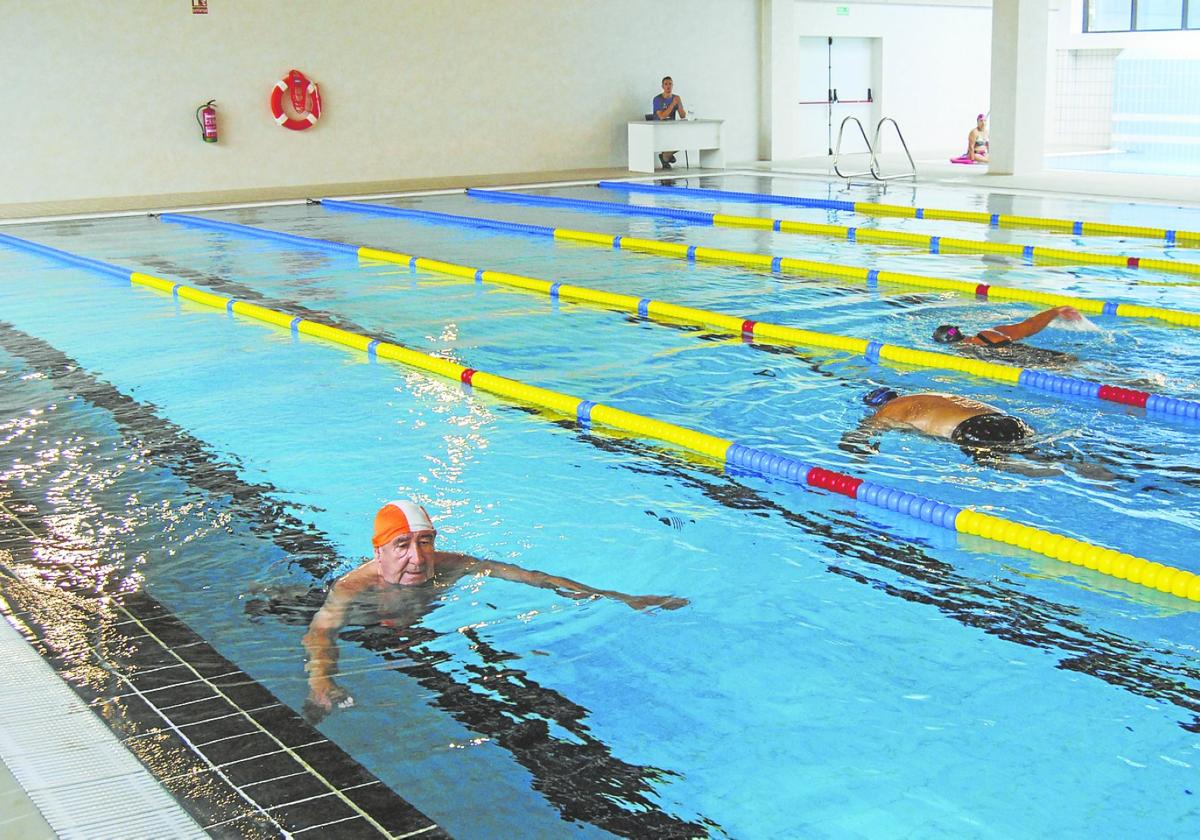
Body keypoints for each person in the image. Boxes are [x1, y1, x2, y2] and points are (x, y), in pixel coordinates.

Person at [301, 499, 687, 721]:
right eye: (402, 545)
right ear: (378, 552)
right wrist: (321, 683)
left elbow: (534, 577)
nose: (418, 558)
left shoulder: (454, 564)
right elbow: (319, 633)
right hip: (369, 626)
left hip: (417, 628)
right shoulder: (352, 588)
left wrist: (622, 598)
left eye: (426, 542)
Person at [860, 388, 1033, 447]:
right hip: (1009, 421)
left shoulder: (887, 410)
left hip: (974, 429)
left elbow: (859, 438)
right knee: (1034, 454)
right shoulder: (925, 396)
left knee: (998, 464)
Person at [932, 305, 1082, 366]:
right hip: (1056, 358)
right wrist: (1055, 311)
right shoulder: (987, 335)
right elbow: (1029, 326)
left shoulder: (965, 355)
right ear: (960, 332)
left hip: (1041, 368)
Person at [652, 76, 686, 169]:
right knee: (673, 141)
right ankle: (666, 157)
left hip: (672, 127)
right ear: (662, 86)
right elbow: (662, 116)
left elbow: (683, 115)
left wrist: (679, 104)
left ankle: (665, 156)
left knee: (685, 139)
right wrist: (672, 104)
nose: (668, 86)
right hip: (659, 128)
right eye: (666, 84)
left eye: (670, 84)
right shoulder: (657, 99)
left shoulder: (676, 98)